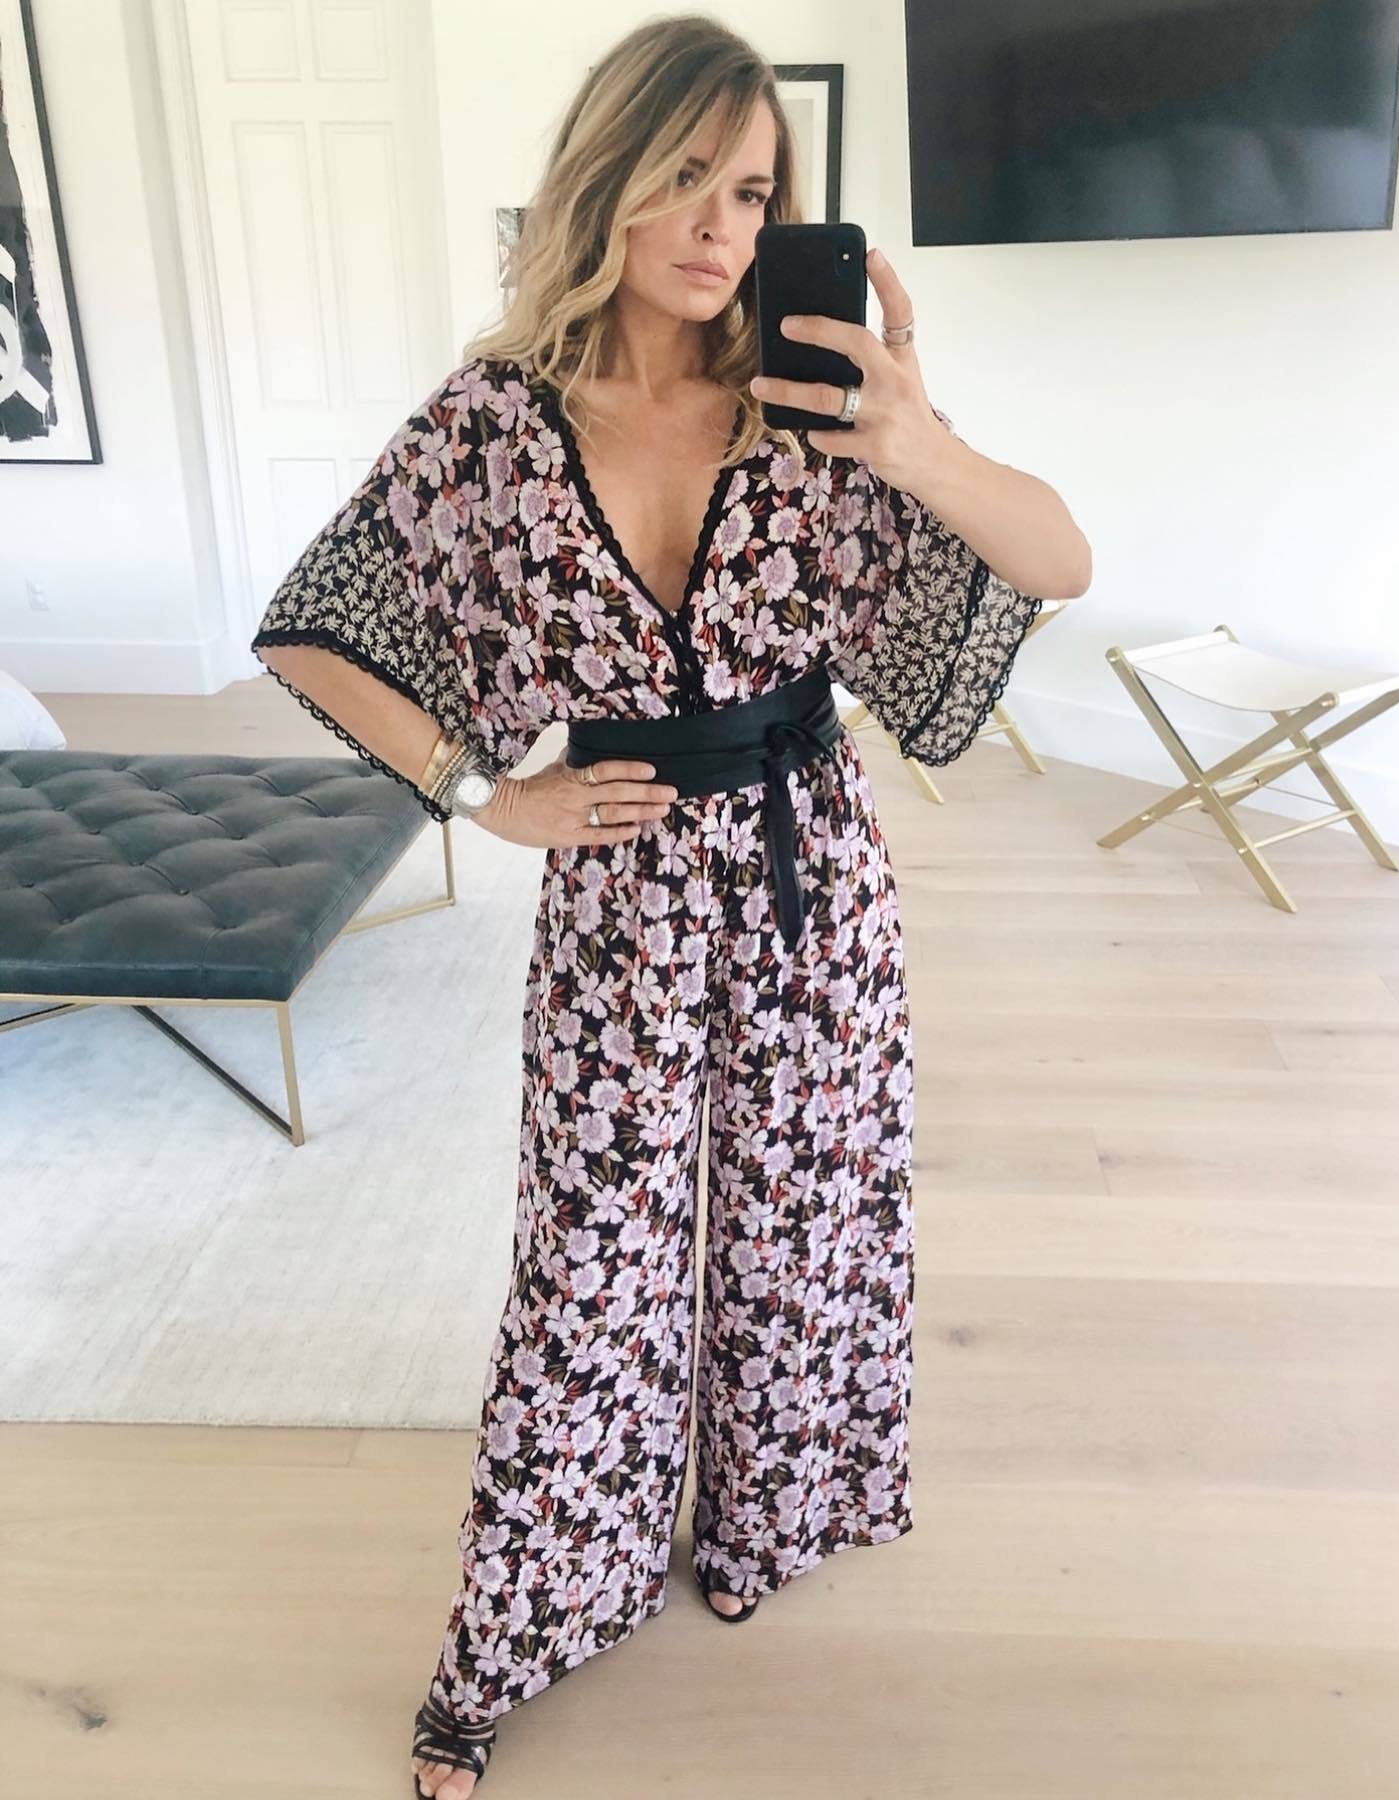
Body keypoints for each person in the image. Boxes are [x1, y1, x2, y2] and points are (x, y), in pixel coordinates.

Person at [250, 17, 1090, 1798]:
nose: (722, 224)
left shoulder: (820, 407)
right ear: (609, 177)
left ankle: (768, 1518)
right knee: (594, 1267)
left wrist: (914, 435)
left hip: (809, 886)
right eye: (690, 175)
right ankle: (525, 1622)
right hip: (621, 897)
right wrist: (489, 794)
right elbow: (320, 626)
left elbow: (1056, 559)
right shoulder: (494, 424)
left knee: (803, 1229)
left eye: (758, 191)